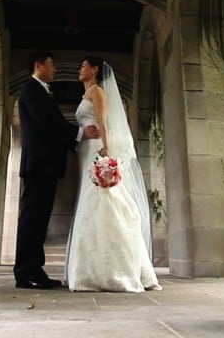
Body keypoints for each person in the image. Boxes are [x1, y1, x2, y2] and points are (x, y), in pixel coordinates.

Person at [65, 56, 160, 292]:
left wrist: (106, 149)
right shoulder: (86, 93)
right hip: (85, 151)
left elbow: (103, 121)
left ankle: (112, 269)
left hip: (97, 149)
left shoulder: (97, 92)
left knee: (103, 202)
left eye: (83, 65)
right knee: (91, 203)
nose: (80, 69)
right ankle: (90, 267)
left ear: (95, 70)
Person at [14, 51, 100, 290]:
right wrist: (80, 133)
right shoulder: (31, 90)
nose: (55, 69)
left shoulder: (40, 91)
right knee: (32, 220)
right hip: (39, 165)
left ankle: (35, 270)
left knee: (39, 221)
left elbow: (51, 125)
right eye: (51, 65)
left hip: (45, 165)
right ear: (38, 65)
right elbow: (48, 123)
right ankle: (25, 273)